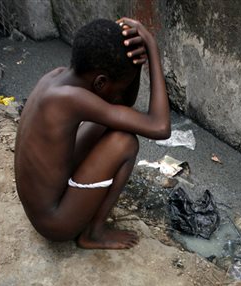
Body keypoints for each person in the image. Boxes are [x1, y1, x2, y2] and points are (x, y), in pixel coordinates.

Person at [14, 18, 170, 249]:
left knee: (115, 122)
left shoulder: (56, 78)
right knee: (125, 142)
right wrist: (154, 51)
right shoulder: (71, 100)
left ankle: (87, 220)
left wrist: (136, 63)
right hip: (55, 223)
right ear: (100, 83)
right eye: (119, 86)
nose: (120, 94)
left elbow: (123, 105)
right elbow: (160, 127)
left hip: (45, 202)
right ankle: (93, 233)